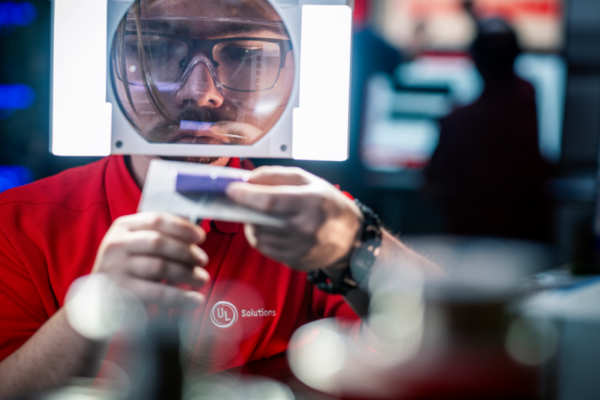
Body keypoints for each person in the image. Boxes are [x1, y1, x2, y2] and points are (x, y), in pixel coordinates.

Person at [0, 0, 443, 398]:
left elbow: (454, 349)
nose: (202, 92)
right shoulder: (17, 223)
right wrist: (91, 309)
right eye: (155, 49)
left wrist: (357, 247)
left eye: (243, 55)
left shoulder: (312, 218)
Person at [424, 18, 551, 241]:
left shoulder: (459, 122)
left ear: (475, 62)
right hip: (526, 242)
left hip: (470, 244)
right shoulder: (528, 102)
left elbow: (430, 184)